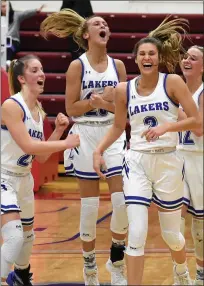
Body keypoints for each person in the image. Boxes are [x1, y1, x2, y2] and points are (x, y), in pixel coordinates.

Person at [93, 16, 202, 285]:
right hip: (137, 161)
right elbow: (119, 127)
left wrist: (168, 128)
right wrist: (99, 150)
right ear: (136, 59)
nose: (146, 57)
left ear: (158, 57)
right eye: (142, 53)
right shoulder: (124, 89)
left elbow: (197, 120)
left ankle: (180, 270)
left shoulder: (173, 82)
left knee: (172, 235)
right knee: (137, 231)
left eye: (151, 53)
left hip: (169, 161)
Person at [40, 9, 128, 286]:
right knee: (90, 206)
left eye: (106, 24)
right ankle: (89, 267)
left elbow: (123, 109)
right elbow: (71, 108)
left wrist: (107, 103)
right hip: (86, 134)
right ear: (87, 35)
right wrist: (95, 101)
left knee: (120, 201)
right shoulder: (77, 66)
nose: (104, 26)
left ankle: (117, 259)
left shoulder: (119, 67)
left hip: (113, 133)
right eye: (97, 24)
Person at [1, 54, 80, 286]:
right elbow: (27, 146)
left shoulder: (37, 109)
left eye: (42, 70)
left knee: (27, 237)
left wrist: (57, 132)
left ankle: (22, 278)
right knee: (14, 237)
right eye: (35, 70)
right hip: (4, 176)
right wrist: (65, 143)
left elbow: (41, 156)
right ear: (22, 78)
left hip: (24, 179)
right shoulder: (11, 105)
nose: (42, 74)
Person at [176, 45, 203, 286]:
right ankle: (180, 274)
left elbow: (198, 128)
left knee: (200, 227)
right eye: (185, 56)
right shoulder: (176, 89)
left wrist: (178, 112)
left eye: (193, 58)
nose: (187, 60)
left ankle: (201, 276)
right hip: (177, 158)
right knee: (175, 218)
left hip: (199, 158)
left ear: (202, 67)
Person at [1, 0, 45, 65]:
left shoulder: (15, 15)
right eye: (3, 6)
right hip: (2, 41)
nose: (6, 8)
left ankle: (7, 61)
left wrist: (36, 10)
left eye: (7, 6)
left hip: (13, 41)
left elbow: (25, 13)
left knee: (8, 46)